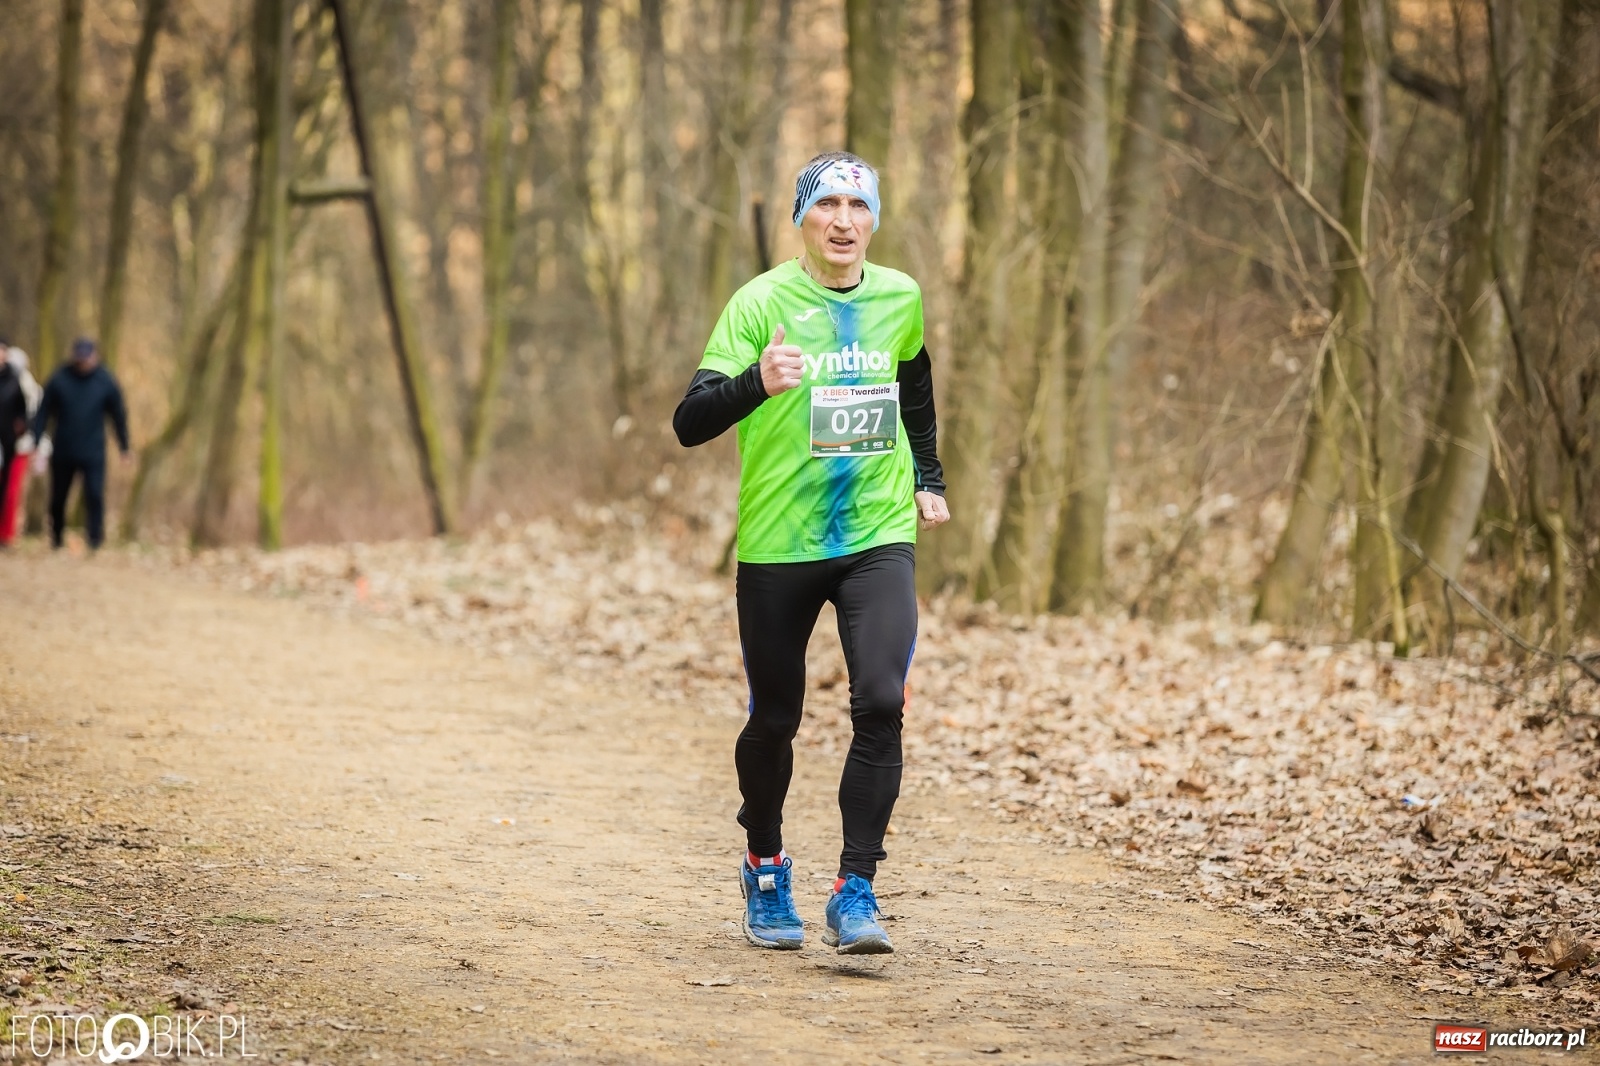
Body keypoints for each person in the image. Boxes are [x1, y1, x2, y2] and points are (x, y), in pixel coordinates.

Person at [673, 151, 950, 955]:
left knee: (879, 700)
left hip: (877, 534)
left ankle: (856, 887)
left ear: (873, 221)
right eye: (825, 204)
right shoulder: (760, 303)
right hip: (779, 544)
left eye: (857, 207)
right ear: (803, 218)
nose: (842, 220)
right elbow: (690, 421)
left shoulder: (900, 296)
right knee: (775, 718)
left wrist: (928, 475)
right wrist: (755, 381)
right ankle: (764, 862)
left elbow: (914, 383)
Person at [29, 337, 131, 551]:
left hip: (93, 451)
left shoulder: (105, 381)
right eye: (80, 358)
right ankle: (56, 538)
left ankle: (94, 540)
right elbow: (43, 412)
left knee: (94, 495)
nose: (83, 362)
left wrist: (124, 447)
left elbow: (118, 415)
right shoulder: (59, 379)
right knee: (58, 497)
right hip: (64, 449)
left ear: (95, 356)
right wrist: (36, 442)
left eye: (87, 358)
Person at [0, 338, 26, 542]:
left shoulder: (15, 380)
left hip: (7, 442)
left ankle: (4, 534)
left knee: (6, 489)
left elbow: (24, 412)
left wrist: (21, 427)